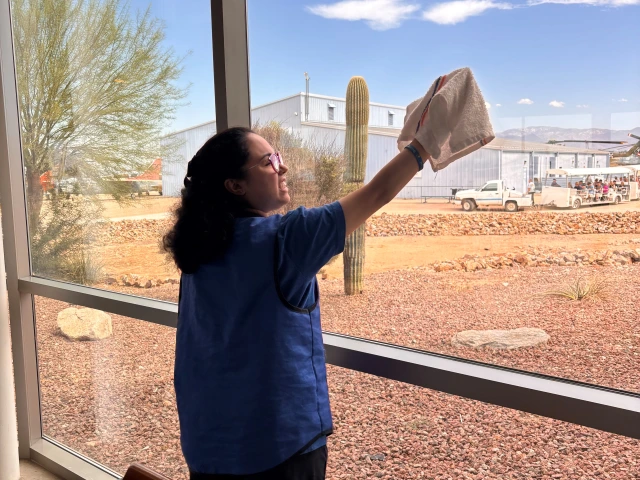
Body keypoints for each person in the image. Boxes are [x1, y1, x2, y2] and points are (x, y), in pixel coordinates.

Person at [163, 127, 430, 479]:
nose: (282, 167)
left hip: (208, 443)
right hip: (277, 447)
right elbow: (377, 193)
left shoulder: (198, 250)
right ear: (236, 185)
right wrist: (425, 145)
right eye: (268, 161)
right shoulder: (285, 240)